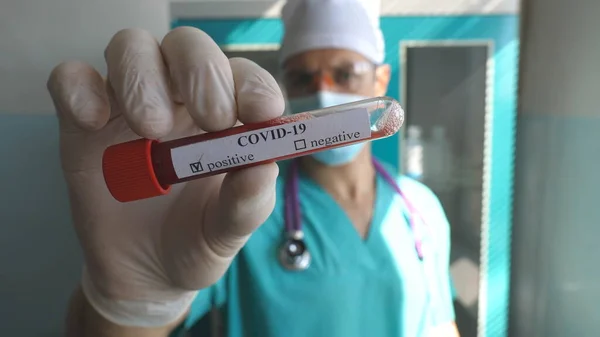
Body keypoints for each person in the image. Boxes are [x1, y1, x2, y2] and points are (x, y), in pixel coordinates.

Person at [47, 0, 459, 336]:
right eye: (302, 78)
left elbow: (442, 327)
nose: (323, 92)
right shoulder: (237, 205)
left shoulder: (420, 209)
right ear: (286, 86)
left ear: (380, 79)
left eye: (345, 74)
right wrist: (132, 301)